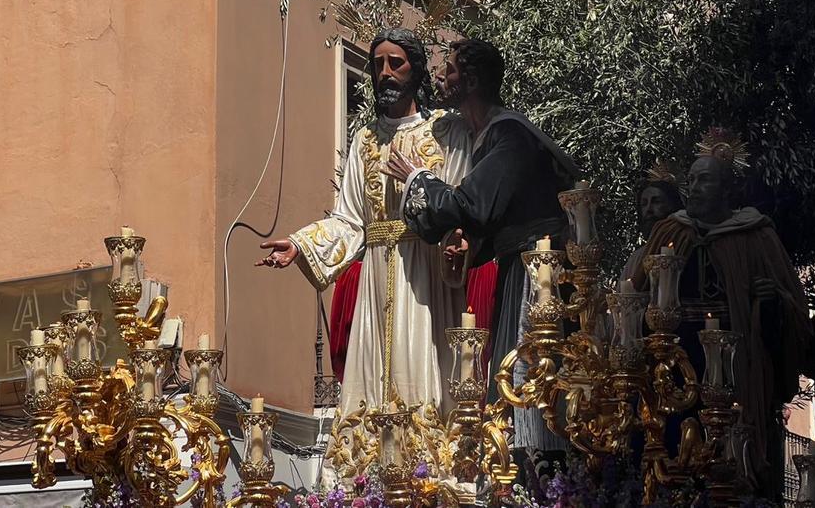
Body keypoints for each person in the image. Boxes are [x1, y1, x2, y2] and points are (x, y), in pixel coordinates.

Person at [383, 38, 581, 461]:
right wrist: (468, 246)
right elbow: (488, 219)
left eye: (450, 69)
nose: (442, 77)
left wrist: (417, 177)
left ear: (471, 79)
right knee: (513, 373)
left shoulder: (509, 133)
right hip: (521, 265)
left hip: (539, 273)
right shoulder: (489, 135)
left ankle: (540, 473)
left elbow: (475, 205)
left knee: (529, 375)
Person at [257, 28, 473, 414]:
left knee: (421, 365)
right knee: (373, 382)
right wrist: (302, 244)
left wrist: (458, 239)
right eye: (377, 65)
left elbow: (460, 203)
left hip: (425, 270)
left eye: (396, 63)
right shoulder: (365, 140)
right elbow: (351, 220)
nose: (385, 73)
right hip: (376, 274)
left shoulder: (447, 130)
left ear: (416, 70)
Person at [636, 129, 811, 498]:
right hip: (676, 361)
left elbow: (795, 307)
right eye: (692, 180)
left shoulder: (757, 235)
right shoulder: (671, 230)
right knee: (670, 447)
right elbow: (633, 295)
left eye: (706, 180)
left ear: (728, 190)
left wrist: (772, 301)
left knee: (729, 458)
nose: (695, 187)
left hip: (736, 365)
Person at [619, 163, 686, 282]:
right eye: (644, 204)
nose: (648, 209)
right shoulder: (637, 257)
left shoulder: (685, 246)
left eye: (656, 201)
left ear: (672, 205)